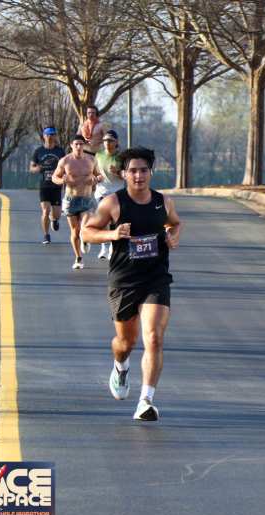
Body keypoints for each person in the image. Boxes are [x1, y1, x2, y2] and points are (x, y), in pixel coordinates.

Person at [81, 147, 183, 421]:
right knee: (126, 342)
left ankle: (145, 401)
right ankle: (120, 365)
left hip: (156, 277)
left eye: (143, 170)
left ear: (151, 172)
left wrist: (173, 236)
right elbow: (87, 232)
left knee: (154, 338)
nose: (138, 175)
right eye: (133, 171)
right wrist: (113, 233)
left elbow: (174, 224)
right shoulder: (113, 203)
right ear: (123, 173)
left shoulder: (163, 202)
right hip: (124, 280)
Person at [51, 134, 101, 269]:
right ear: (71, 146)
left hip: (86, 198)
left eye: (81, 144)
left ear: (84, 145)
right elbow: (54, 177)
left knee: (84, 227)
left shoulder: (91, 160)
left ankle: (84, 238)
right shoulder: (65, 161)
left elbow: (99, 174)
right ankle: (78, 258)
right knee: (75, 230)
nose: (79, 147)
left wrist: (96, 179)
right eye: (76, 144)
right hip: (70, 199)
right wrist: (62, 180)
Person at [29, 127, 66, 244]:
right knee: (45, 211)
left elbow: (66, 167)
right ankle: (46, 235)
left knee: (57, 213)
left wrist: (65, 178)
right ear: (44, 136)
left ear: (55, 136)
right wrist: (37, 168)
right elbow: (31, 167)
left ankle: (54, 220)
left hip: (56, 186)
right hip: (44, 185)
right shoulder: (38, 151)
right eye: (48, 135)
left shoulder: (60, 151)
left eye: (52, 135)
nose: (50, 137)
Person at [94, 130, 124, 260]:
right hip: (102, 192)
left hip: (117, 192)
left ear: (116, 142)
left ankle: (112, 246)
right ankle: (104, 248)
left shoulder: (122, 157)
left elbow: (127, 176)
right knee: (104, 220)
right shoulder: (99, 155)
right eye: (105, 140)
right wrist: (96, 177)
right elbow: (93, 171)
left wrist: (117, 172)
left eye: (110, 140)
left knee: (114, 220)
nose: (107, 143)